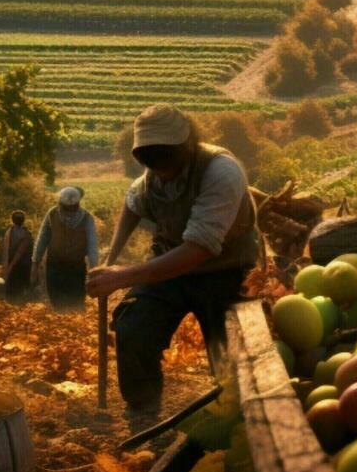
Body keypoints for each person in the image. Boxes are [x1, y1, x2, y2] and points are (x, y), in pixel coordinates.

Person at [87, 104, 259, 416]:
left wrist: (122, 276)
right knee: (133, 325)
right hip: (168, 265)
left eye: (164, 156)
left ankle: (237, 412)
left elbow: (198, 250)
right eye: (148, 158)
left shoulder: (221, 171)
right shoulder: (152, 174)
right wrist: (110, 258)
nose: (157, 165)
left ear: (186, 145)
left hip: (227, 270)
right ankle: (143, 410)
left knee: (232, 353)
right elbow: (132, 204)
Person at [34, 186, 100, 310]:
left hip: (75, 266)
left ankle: (74, 325)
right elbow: (43, 238)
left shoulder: (87, 218)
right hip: (55, 265)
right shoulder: (52, 214)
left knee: (75, 301)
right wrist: (36, 260)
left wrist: (94, 268)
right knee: (57, 300)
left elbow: (92, 245)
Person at [0, 210, 33, 302]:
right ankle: (19, 301)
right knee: (20, 283)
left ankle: (10, 300)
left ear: (12, 220)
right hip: (23, 262)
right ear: (23, 220)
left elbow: (2, 246)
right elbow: (28, 248)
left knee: (11, 282)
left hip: (10, 259)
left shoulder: (8, 232)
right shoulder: (26, 233)